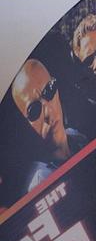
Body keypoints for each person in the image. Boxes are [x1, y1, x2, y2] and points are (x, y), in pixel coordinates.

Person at [11, 58, 87, 193]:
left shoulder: (78, 137)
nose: (49, 112)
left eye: (49, 90)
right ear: (25, 125)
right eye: (34, 110)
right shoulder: (40, 185)